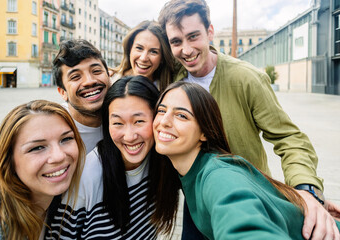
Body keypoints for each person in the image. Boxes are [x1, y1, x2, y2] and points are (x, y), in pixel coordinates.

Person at [158, 0, 340, 239]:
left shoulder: (247, 78)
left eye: (194, 36)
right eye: (176, 42)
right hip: (197, 204)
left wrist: (306, 191)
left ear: (210, 31)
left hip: (246, 199)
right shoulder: (174, 76)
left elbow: (289, 138)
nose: (187, 49)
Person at [153, 81, 340, 240]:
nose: (164, 121)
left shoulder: (218, 176)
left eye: (181, 115)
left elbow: (244, 226)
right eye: (161, 110)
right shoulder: (192, 171)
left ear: (204, 132)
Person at [44, 76, 179, 239]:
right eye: (117, 123)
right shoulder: (87, 176)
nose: (129, 137)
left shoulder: (165, 162)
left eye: (139, 121)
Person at [0, 100, 84, 240]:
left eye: (66, 139)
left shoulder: (60, 201)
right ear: (8, 160)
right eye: (37, 147)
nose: (59, 156)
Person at [52, 39, 110, 154]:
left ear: (109, 77)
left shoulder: (124, 118)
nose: (89, 81)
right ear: (63, 92)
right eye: (75, 77)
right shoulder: (51, 128)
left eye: (96, 71)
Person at [111, 20, 174, 91]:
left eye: (153, 52)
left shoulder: (170, 90)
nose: (143, 58)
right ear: (130, 49)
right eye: (139, 48)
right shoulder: (111, 82)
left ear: (162, 58)